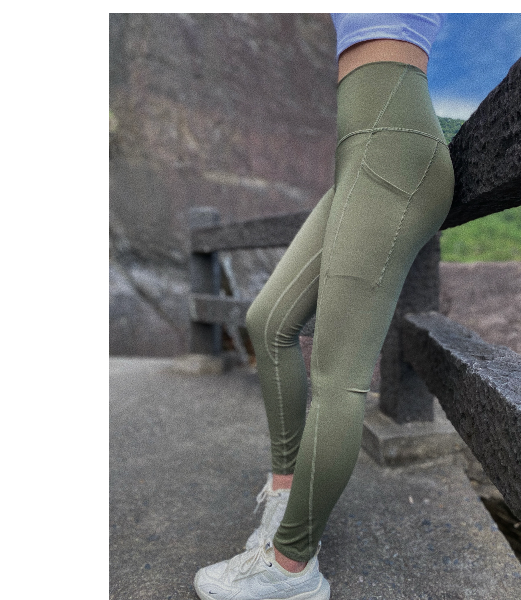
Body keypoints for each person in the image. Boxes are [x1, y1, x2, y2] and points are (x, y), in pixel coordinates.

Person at [194, 13, 452, 600]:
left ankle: (292, 566)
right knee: (268, 319)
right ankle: (287, 493)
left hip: (393, 145)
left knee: (338, 376)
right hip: (363, 150)